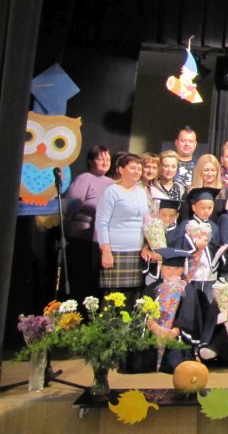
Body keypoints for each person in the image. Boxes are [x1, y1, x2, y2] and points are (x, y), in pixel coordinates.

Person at [123, 247, 201, 374]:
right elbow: (142, 314)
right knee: (136, 365)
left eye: (176, 268)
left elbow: (189, 316)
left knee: (177, 366)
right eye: (168, 268)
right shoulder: (151, 288)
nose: (171, 272)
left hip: (175, 337)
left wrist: (174, 331)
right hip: (153, 336)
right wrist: (154, 327)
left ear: (182, 270)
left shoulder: (188, 290)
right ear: (162, 268)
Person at [95, 153, 149, 301]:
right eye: (132, 168)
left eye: (139, 168)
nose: (137, 171)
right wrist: (106, 251)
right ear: (121, 169)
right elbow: (101, 222)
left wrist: (146, 245)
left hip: (137, 252)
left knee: (133, 298)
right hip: (116, 251)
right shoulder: (111, 191)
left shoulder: (141, 192)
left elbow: (146, 221)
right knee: (113, 300)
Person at [65, 145, 113, 301]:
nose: (105, 162)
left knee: (95, 283)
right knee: (80, 280)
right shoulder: (84, 179)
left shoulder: (112, 183)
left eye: (108, 159)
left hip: (101, 241)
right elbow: (70, 208)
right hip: (81, 239)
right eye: (100, 159)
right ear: (91, 161)